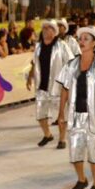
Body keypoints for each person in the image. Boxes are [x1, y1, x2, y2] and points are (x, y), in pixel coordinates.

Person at [56, 27, 95, 189]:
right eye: (80, 38)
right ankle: (81, 179)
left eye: (86, 39)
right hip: (76, 115)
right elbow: (64, 90)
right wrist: (61, 113)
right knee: (75, 152)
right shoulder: (71, 65)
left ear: (94, 43)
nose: (81, 41)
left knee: (94, 151)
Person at [26, 20, 71, 149]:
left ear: (54, 31)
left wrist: (67, 82)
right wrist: (30, 77)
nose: (45, 30)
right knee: (40, 114)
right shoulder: (38, 46)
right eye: (44, 28)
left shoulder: (62, 45)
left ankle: (62, 139)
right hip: (42, 86)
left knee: (62, 114)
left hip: (58, 86)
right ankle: (47, 134)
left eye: (48, 28)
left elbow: (71, 63)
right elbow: (34, 62)